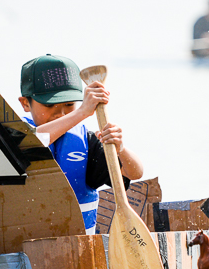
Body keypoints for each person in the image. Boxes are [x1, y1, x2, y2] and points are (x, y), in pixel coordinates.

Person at [17, 54, 144, 234]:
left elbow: (135, 172)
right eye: (50, 105)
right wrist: (82, 112)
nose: (60, 113)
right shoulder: (12, 136)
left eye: (69, 105)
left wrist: (120, 148)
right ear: (25, 104)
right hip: (25, 249)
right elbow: (28, 145)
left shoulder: (86, 143)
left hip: (79, 251)